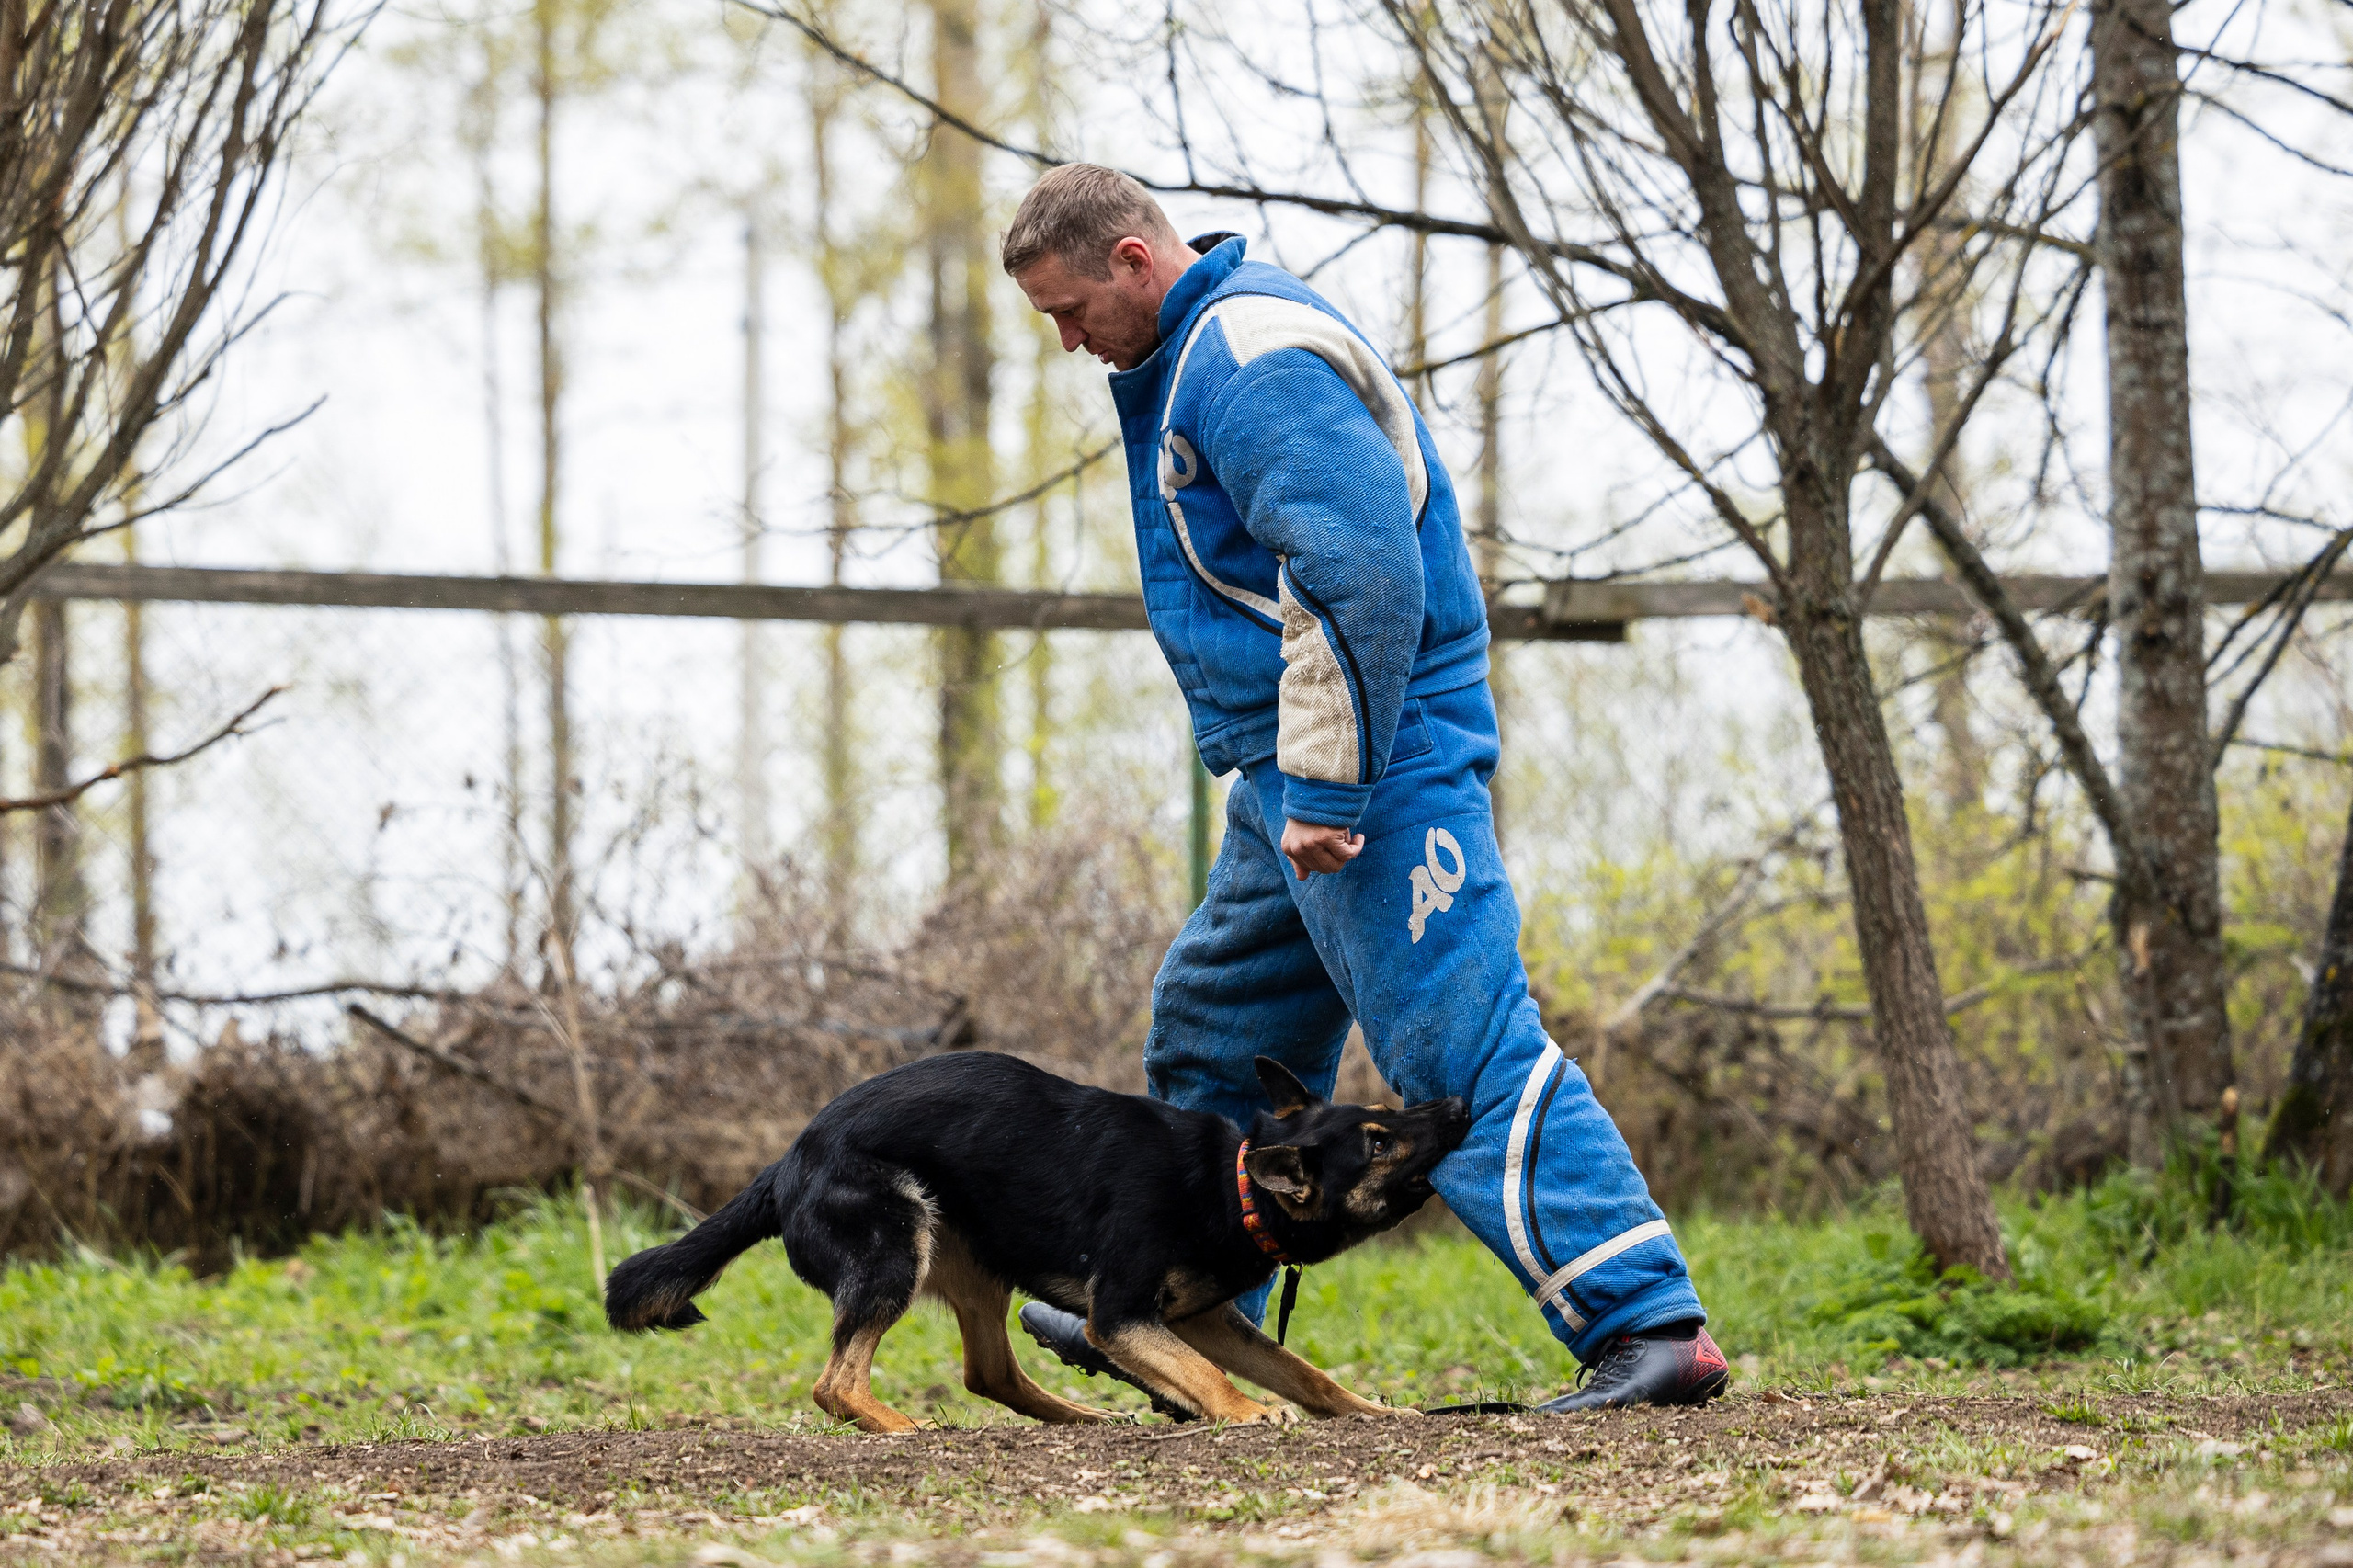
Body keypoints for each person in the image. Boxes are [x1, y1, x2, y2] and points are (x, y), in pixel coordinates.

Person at [999, 164, 1726, 1412]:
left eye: (1070, 309)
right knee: (1221, 1020)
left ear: (1131, 258)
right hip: (1290, 757)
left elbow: (1358, 569)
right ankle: (1169, 1296)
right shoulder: (1195, 355)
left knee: (1456, 1043)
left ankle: (1650, 1324)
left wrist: (1333, 785)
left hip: (1371, 755)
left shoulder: (1247, 356)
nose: (1068, 341)